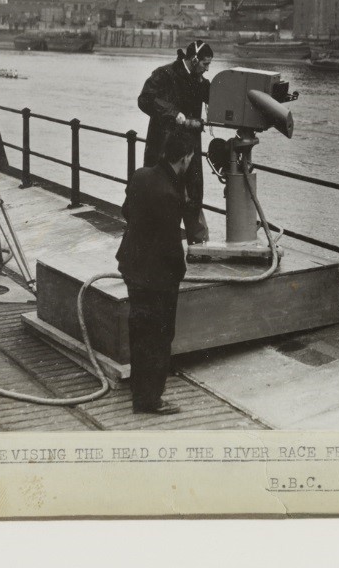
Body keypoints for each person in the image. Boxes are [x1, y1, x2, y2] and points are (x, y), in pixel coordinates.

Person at [115, 130, 194, 415]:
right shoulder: (169, 193)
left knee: (140, 330)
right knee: (159, 336)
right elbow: (172, 246)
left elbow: (127, 211)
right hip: (157, 277)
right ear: (185, 158)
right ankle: (150, 400)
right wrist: (180, 271)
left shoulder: (140, 175)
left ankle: (141, 390)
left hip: (132, 265)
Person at [137, 40, 213, 244]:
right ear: (194, 59)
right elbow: (144, 99)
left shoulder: (201, 83)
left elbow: (217, 98)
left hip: (190, 150)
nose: (207, 69)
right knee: (160, 194)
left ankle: (197, 243)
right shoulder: (164, 75)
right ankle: (155, 241)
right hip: (163, 148)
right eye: (205, 64)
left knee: (194, 194)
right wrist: (174, 114)